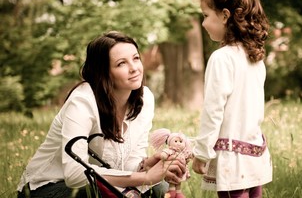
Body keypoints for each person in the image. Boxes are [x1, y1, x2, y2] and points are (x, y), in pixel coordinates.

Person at [17, 31, 186, 198]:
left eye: (136, 58)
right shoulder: (82, 102)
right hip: (48, 188)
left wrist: (146, 165)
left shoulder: (145, 98)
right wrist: (145, 177)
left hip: (101, 184)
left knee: (161, 189)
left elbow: (126, 166)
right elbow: (75, 176)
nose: (134, 68)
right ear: (104, 72)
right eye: (121, 63)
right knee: (101, 192)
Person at [192, 0, 273, 198]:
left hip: (232, 158)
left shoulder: (222, 58)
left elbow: (213, 110)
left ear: (225, 15)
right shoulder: (255, 57)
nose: (203, 23)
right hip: (254, 152)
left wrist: (202, 152)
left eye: (206, 15)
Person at [149, 128, 193, 198]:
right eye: (175, 141)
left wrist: (191, 156)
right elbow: (165, 154)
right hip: (172, 169)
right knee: (172, 181)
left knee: (178, 181)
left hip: (181, 170)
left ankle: (178, 192)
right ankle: (171, 191)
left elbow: (189, 155)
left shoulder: (183, 152)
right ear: (170, 143)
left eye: (181, 141)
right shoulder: (171, 151)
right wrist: (164, 156)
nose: (178, 143)